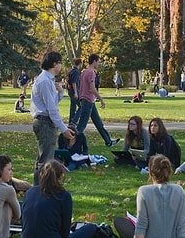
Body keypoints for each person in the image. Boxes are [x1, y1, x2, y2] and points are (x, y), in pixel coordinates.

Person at [22, 160, 98, 238]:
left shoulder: (29, 192)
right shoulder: (63, 196)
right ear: (61, 176)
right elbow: (64, 232)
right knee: (91, 228)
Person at [30, 51, 75, 184]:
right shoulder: (44, 81)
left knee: (43, 159)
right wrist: (64, 129)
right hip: (44, 122)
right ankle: (40, 191)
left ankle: (38, 190)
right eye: (60, 63)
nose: (61, 66)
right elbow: (51, 110)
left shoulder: (48, 80)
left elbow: (51, 103)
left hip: (46, 121)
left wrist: (60, 93)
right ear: (55, 64)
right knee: (45, 161)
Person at [124, 154, 185, 238]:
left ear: (150, 172)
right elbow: (182, 227)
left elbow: (141, 226)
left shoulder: (144, 191)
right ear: (169, 171)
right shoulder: (179, 191)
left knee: (121, 224)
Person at [75, 54, 120, 147]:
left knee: (98, 123)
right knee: (82, 125)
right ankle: (72, 142)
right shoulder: (91, 72)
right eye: (98, 61)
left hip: (88, 100)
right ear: (94, 61)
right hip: (87, 100)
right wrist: (101, 99)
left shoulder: (84, 72)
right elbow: (92, 88)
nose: (99, 64)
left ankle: (108, 141)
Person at [67, 58, 82, 125]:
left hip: (70, 91)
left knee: (73, 106)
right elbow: (74, 82)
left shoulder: (72, 71)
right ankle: (74, 120)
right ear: (80, 64)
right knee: (81, 106)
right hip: (74, 91)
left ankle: (71, 121)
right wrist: (76, 92)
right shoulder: (76, 72)